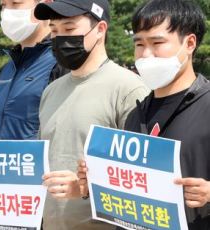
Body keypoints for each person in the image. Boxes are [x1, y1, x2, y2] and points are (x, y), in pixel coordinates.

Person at [79, 0, 210, 229]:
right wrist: (96, 178)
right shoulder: (136, 114)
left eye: (157, 42)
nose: (146, 54)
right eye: (139, 44)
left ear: (189, 43)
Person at [33, 0, 150, 229]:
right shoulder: (51, 90)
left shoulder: (129, 89)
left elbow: (143, 178)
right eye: (54, 31)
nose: (60, 39)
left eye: (69, 29)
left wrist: (85, 188)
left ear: (100, 29)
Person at [0, 0, 68, 140]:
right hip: (0, 160)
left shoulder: (61, 63)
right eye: (3, 5)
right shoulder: (7, 68)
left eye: (15, 3)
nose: (7, 12)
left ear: (45, 3)